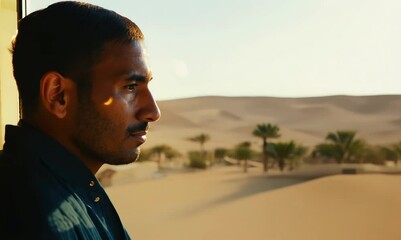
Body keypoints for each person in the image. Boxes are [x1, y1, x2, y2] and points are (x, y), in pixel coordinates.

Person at [0, 1, 160, 239]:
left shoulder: (68, 191)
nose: (153, 112)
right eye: (130, 87)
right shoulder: (36, 219)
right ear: (58, 95)